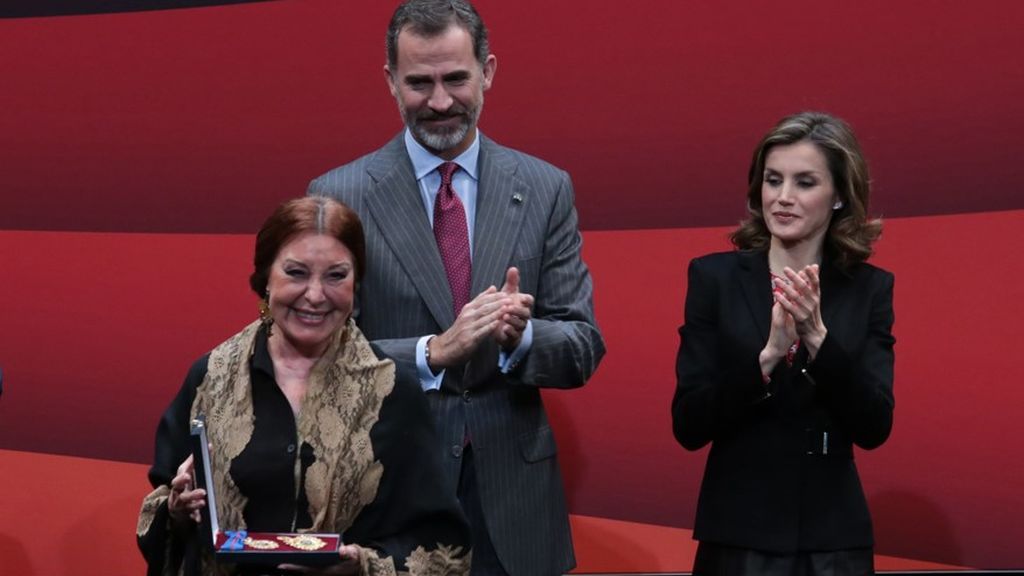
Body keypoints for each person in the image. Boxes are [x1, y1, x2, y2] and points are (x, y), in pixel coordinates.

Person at [307, 2, 605, 575]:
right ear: (390, 81)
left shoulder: (545, 188)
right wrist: (430, 354)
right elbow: (318, 356)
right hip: (390, 500)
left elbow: (583, 345)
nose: (440, 101)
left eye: (456, 79)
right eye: (419, 82)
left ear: (488, 71)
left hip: (515, 513)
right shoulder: (337, 195)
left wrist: (520, 340)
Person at [137, 197, 471, 576]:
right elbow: (162, 507)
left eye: (336, 276)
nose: (315, 295)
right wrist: (178, 511)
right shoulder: (210, 378)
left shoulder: (394, 391)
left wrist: (359, 568)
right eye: (296, 273)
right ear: (266, 279)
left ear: (356, 283)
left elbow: (444, 551)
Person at [671, 111, 895, 575]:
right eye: (774, 180)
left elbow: (875, 426)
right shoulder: (714, 278)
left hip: (832, 541)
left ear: (838, 196)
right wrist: (767, 358)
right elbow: (688, 424)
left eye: (805, 182)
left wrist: (817, 339)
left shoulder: (869, 288)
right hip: (738, 535)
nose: (784, 198)